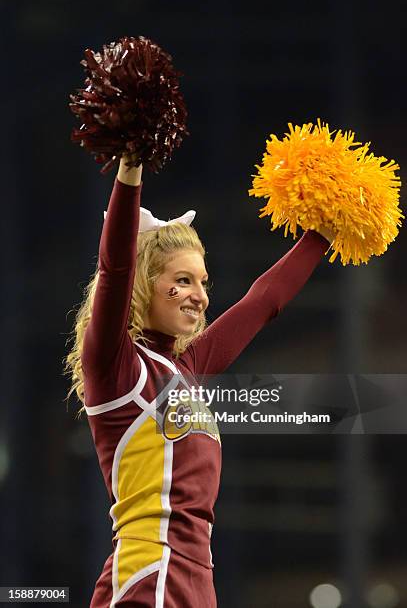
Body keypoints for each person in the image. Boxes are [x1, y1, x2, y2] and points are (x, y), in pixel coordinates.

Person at [65, 154, 331, 607]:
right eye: (183, 280)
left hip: (198, 580)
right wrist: (131, 168)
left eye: (203, 282)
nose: (200, 296)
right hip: (149, 576)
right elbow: (115, 271)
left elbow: (262, 302)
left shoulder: (187, 369)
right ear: (143, 285)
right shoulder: (117, 370)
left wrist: (326, 229)